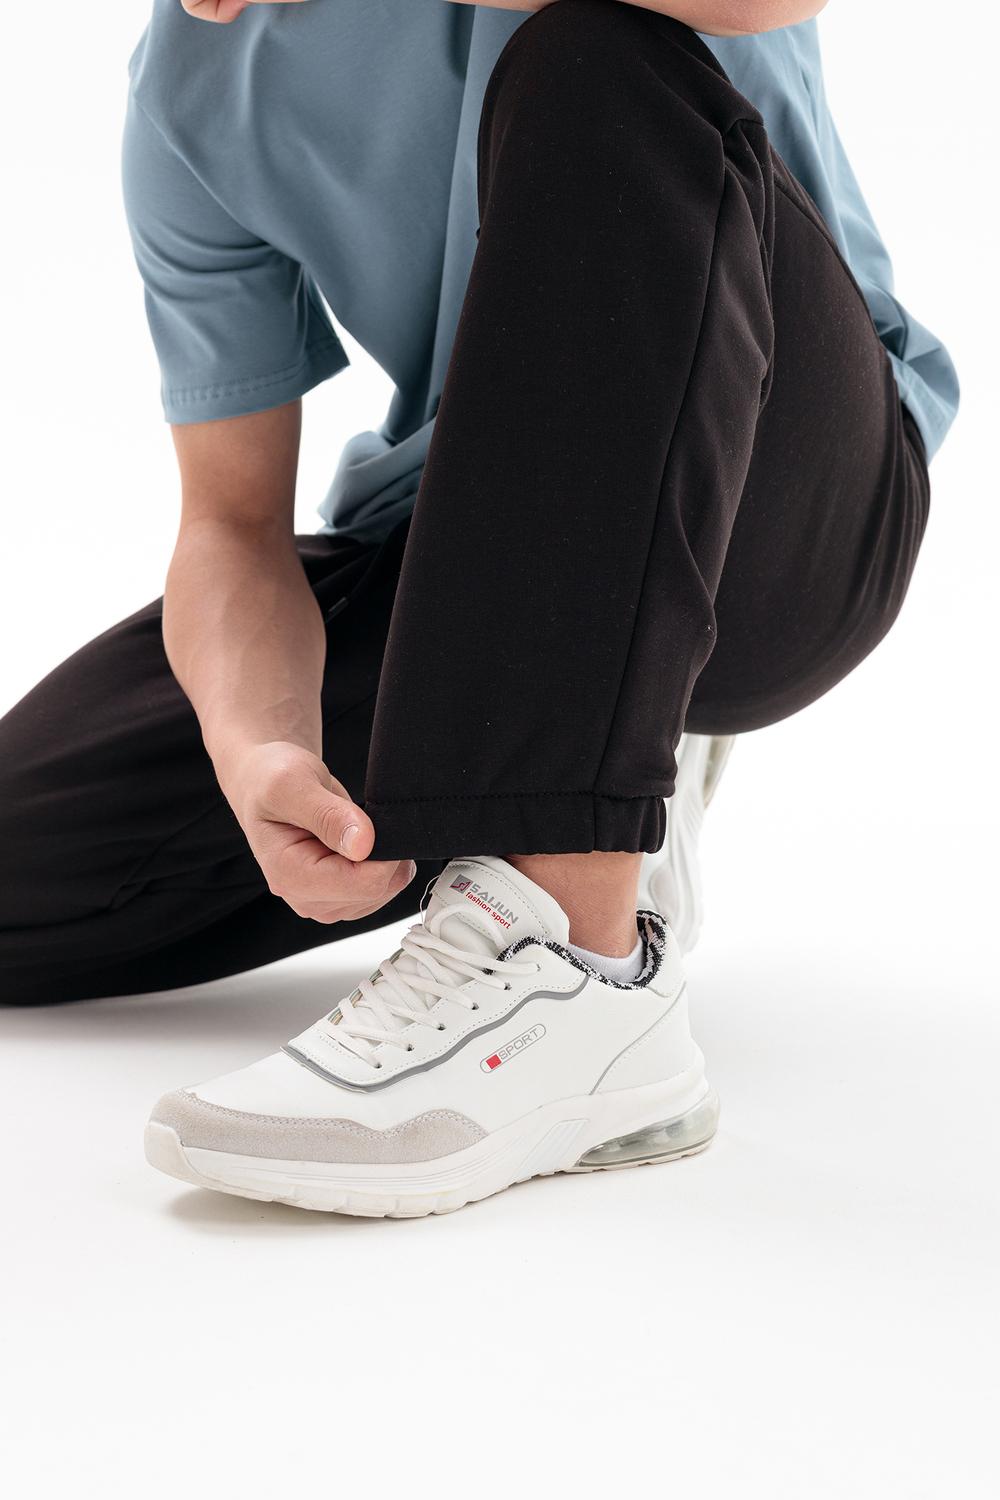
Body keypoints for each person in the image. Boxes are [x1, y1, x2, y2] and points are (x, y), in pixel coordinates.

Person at [0, 0, 957, 1215]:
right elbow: (230, 524)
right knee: (23, 859)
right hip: (477, 547)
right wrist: (261, 742)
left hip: (783, 500)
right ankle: (605, 747)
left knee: (593, 53)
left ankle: (580, 971)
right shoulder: (192, 88)